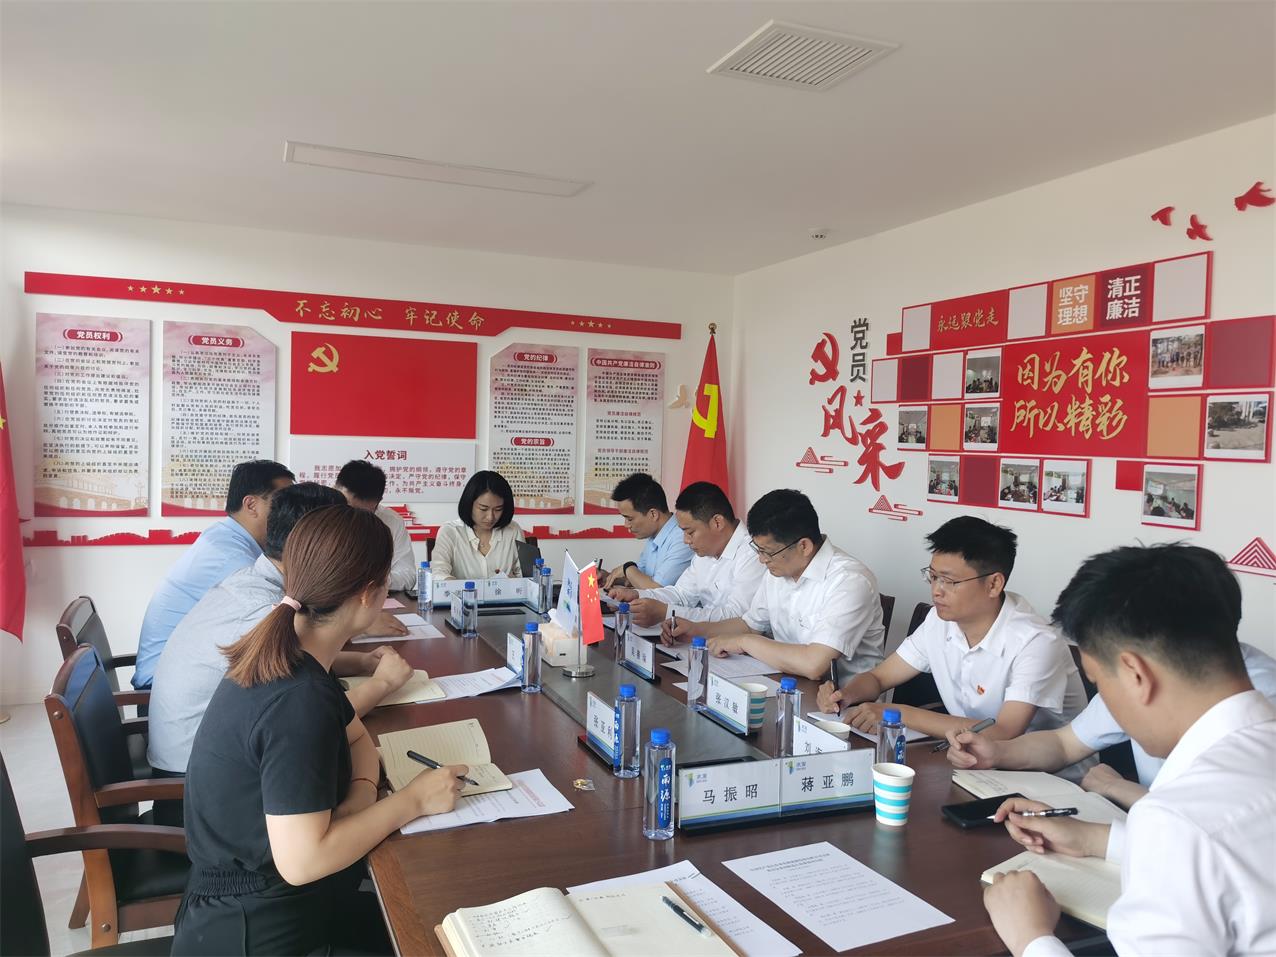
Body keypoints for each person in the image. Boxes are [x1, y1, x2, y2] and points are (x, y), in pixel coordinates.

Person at [172, 506, 467, 956]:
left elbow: (357, 737)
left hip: (279, 899)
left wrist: (358, 800)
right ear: (369, 594)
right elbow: (303, 862)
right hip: (258, 928)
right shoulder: (298, 697)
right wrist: (415, 800)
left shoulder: (293, 651)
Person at [982, 544, 1276, 957]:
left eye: (1098, 683)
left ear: (1136, 674)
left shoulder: (1178, 819)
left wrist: (1031, 937)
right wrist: (1096, 839)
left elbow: (1195, 840)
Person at [148, 483, 412, 782]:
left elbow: (293, 663)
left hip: (219, 757)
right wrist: (382, 684)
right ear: (310, 542)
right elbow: (304, 716)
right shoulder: (263, 611)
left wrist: (361, 662)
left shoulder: (258, 582)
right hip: (197, 776)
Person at [817, 517, 1086, 743]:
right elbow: (879, 678)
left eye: (949, 581)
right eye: (933, 576)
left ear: (994, 584)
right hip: (972, 761)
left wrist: (899, 713)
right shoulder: (939, 621)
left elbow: (1004, 733)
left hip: (1049, 778)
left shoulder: (1035, 641)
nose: (936, 590)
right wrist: (846, 695)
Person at [948, 638, 1276, 808]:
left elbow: (1206, 822)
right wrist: (997, 753)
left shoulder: (1256, 710)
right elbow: (1065, 743)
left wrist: (1117, 788)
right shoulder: (1147, 669)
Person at [672, 489, 884, 681]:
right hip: (786, 684)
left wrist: (744, 642)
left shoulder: (850, 581)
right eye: (758, 550)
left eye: (768, 552)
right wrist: (697, 629)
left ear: (804, 546)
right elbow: (750, 625)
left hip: (843, 703)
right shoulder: (779, 569)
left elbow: (815, 664)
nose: (761, 560)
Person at [134, 459, 294, 688]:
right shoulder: (234, 559)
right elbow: (280, 628)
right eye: (283, 503)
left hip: (179, 675)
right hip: (164, 687)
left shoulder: (226, 537)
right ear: (251, 505)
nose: (290, 513)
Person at [607, 482, 765, 632]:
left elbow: (736, 618)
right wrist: (637, 595)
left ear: (717, 523)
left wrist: (666, 613)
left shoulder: (753, 554)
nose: (685, 540)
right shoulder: (705, 552)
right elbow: (681, 594)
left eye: (690, 532)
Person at [334, 460, 418, 591]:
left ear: (378, 503)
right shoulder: (316, 517)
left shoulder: (391, 521)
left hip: (373, 597)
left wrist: (372, 582)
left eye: (363, 513)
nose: (352, 517)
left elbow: (407, 575)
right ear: (335, 489)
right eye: (347, 507)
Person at [601, 473, 693, 590]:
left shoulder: (683, 537)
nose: (626, 525)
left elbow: (658, 590)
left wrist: (628, 568)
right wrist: (610, 578)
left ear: (653, 514)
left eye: (630, 519)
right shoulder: (654, 535)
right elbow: (640, 578)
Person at [431, 470, 526, 580]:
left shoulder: (513, 530)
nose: (490, 517)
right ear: (469, 503)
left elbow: (526, 575)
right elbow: (438, 572)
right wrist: (454, 584)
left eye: (498, 509)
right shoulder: (450, 532)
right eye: (483, 509)